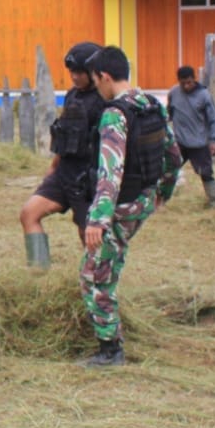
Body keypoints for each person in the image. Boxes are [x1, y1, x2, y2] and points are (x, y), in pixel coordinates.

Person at [80, 46, 181, 367]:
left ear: (105, 77)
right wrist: (163, 190)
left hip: (120, 205)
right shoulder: (151, 104)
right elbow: (174, 155)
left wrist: (97, 219)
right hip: (145, 199)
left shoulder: (116, 114)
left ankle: (110, 349)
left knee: (94, 276)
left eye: (96, 81)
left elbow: (112, 171)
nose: (96, 87)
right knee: (111, 261)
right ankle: (111, 339)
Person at [19, 42, 106, 269]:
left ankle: (95, 286)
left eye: (79, 72)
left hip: (88, 179)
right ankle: (40, 274)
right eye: (71, 72)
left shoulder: (105, 101)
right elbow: (64, 135)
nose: (74, 77)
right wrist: (53, 167)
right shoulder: (71, 96)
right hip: (63, 173)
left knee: (87, 235)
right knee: (29, 214)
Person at [168, 66, 215, 207]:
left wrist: (213, 140)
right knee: (168, 170)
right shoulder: (173, 93)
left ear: (194, 79)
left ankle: (214, 200)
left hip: (199, 143)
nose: (186, 86)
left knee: (206, 173)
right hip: (179, 143)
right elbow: (169, 114)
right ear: (178, 81)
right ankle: (161, 200)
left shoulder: (204, 95)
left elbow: (213, 119)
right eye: (183, 83)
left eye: (189, 82)